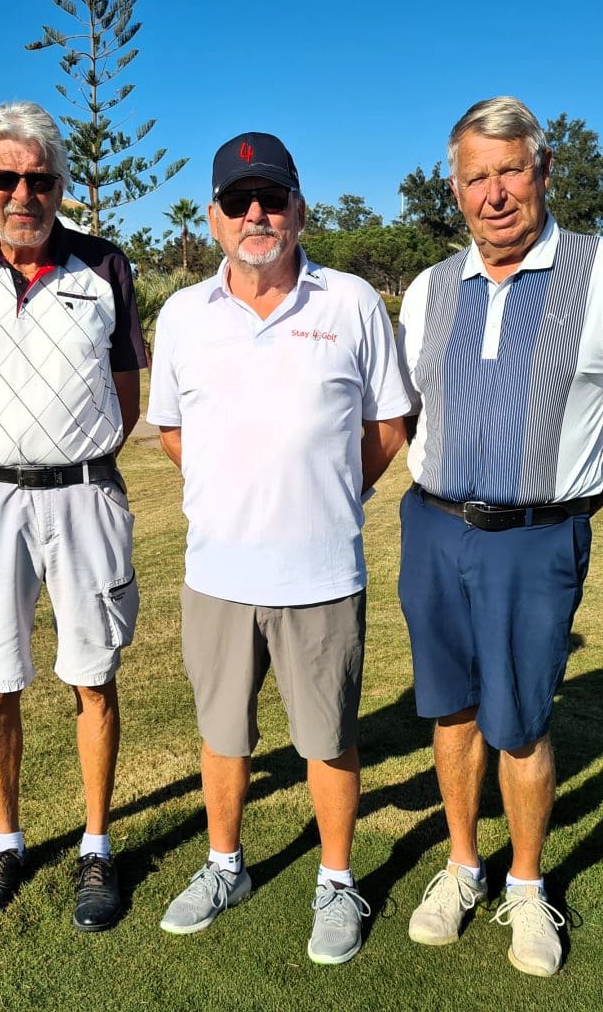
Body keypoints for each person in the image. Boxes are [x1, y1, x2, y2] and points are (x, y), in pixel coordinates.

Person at [396, 96, 603, 977]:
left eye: (510, 170)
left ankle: (523, 883)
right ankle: (460, 867)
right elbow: (405, 415)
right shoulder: (429, 289)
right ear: (454, 188)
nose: (494, 194)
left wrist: (567, 510)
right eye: (475, 177)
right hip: (433, 528)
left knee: (518, 723)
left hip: (534, 539)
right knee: (451, 710)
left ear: (542, 170)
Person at [147, 132, 408, 964]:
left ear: (298, 208)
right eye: (238, 201)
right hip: (217, 574)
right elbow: (173, 432)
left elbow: (388, 425)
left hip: (320, 572)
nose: (255, 214)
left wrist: (329, 492)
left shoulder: (351, 302)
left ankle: (336, 880)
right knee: (223, 733)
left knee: (328, 737)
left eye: (270, 198)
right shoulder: (183, 315)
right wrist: (234, 494)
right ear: (214, 217)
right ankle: (225, 866)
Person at [0, 101, 146, 931]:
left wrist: (66, 454)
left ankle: (96, 846)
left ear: (59, 185)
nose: (23, 195)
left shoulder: (104, 267)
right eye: (6, 179)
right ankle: (7, 843)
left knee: (94, 675)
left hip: (83, 496)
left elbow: (124, 397)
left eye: (39, 180)